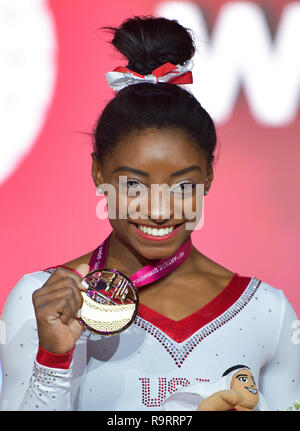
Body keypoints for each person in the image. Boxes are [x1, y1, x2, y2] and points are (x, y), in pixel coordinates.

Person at [0, 16, 299, 412]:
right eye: (134, 185)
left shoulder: (267, 311)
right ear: (99, 173)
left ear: (208, 176)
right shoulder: (41, 301)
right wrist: (54, 358)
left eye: (181, 186)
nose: (159, 211)